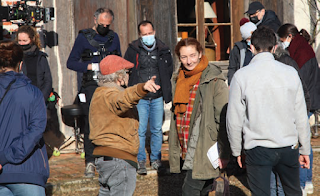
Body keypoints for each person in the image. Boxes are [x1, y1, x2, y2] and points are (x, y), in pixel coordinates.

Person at [227, 26, 310, 196]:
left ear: (251, 47)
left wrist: (236, 150)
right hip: (288, 145)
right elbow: (300, 115)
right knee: (293, 192)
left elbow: (234, 119)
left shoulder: (241, 76)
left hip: (257, 147)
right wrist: (305, 149)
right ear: (274, 47)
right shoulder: (290, 73)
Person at [89, 55, 160, 195]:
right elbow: (123, 100)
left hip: (104, 160)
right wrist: (141, 89)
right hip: (118, 161)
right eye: (127, 72)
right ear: (119, 78)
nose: (129, 76)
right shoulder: (111, 94)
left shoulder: (99, 94)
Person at [169, 37, 230, 195]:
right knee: (202, 190)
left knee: (189, 191)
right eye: (184, 57)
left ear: (200, 54)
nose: (189, 61)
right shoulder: (179, 79)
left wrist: (224, 152)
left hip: (205, 146)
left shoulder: (214, 80)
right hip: (186, 142)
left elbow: (223, 118)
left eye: (192, 55)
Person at [67, 7, 121, 177]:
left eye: (108, 24)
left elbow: (119, 59)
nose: (105, 27)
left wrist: (120, 75)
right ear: (95, 20)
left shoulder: (114, 38)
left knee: (110, 121)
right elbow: (71, 63)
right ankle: (90, 161)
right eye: (102, 24)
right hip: (92, 84)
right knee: (91, 123)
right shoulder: (84, 37)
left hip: (111, 84)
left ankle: (109, 157)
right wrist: (90, 66)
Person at [0, 40, 49, 195]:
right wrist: (7, 156)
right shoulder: (33, 93)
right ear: (21, 65)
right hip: (28, 172)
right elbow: (35, 131)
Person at [124, 20, 173, 175]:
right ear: (140, 35)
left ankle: (156, 160)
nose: (147, 36)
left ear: (154, 31)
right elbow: (127, 68)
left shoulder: (163, 49)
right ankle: (140, 161)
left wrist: (162, 85)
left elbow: (169, 69)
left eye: (150, 33)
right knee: (140, 130)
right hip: (141, 98)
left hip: (157, 96)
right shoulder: (133, 50)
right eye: (144, 34)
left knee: (157, 130)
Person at [277, 23, 319, 195]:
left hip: (305, 102)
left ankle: (302, 182)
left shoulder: (300, 53)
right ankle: (307, 180)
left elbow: (300, 82)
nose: (282, 44)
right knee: (305, 140)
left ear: (289, 37)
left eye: (282, 40)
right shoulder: (302, 47)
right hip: (310, 99)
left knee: (302, 142)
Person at [16, 25, 52, 101]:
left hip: (38, 97)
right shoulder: (15, 57)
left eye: (24, 41)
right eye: (19, 41)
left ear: (32, 40)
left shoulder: (40, 57)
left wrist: (42, 98)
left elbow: (47, 80)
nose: (21, 43)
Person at [227, 20, 256, 85]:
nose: (250, 41)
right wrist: (230, 83)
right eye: (248, 38)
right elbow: (232, 68)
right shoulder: (238, 48)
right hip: (242, 81)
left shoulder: (259, 47)